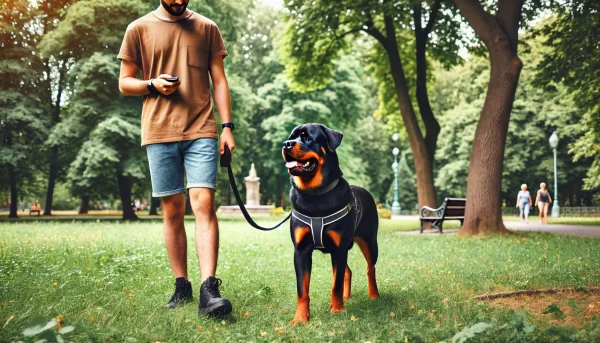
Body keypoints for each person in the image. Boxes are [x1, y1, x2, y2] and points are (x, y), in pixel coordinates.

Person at [118, 0, 235, 317]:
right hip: (158, 130)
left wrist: (227, 127)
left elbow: (219, 79)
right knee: (172, 209)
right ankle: (181, 284)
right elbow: (125, 82)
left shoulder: (207, 27)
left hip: (202, 127)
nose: (179, 1)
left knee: (203, 202)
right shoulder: (138, 29)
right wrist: (151, 85)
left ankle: (208, 288)